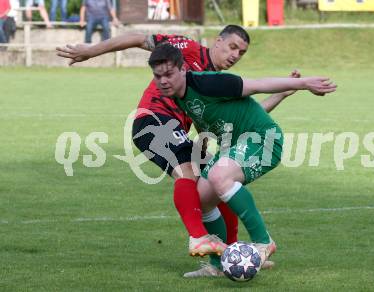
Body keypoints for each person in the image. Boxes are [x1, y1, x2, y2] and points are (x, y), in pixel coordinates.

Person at [56, 25, 294, 275]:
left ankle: (230, 258)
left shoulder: (216, 83)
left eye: (241, 52)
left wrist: (282, 95)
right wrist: (91, 51)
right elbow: (139, 38)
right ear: (218, 41)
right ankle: (199, 237)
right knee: (188, 174)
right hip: (154, 120)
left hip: (177, 130)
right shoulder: (187, 50)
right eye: (232, 47)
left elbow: (247, 117)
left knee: (216, 181)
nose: (235, 55)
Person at [147, 43, 337, 276]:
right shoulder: (177, 95)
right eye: (158, 76)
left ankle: (263, 241)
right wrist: (203, 139)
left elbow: (258, 85)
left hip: (263, 139)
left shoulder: (209, 82)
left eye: (169, 74)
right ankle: (217, 266)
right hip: (235, 146)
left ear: (182, 69)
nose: (163, 80)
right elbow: (240, 112)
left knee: (218, 176)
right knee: (202, 199)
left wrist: (304, 83)